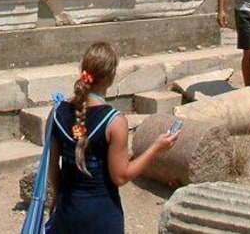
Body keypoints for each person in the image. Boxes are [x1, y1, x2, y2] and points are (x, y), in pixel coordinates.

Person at [46, 42, 179, 233]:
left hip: (67, 213)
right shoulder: (114, 122)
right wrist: (155, 148)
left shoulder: (57, 112)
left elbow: (52, 164)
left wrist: (57, 198)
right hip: (102, 216)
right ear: (111, 76)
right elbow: (120, 176)